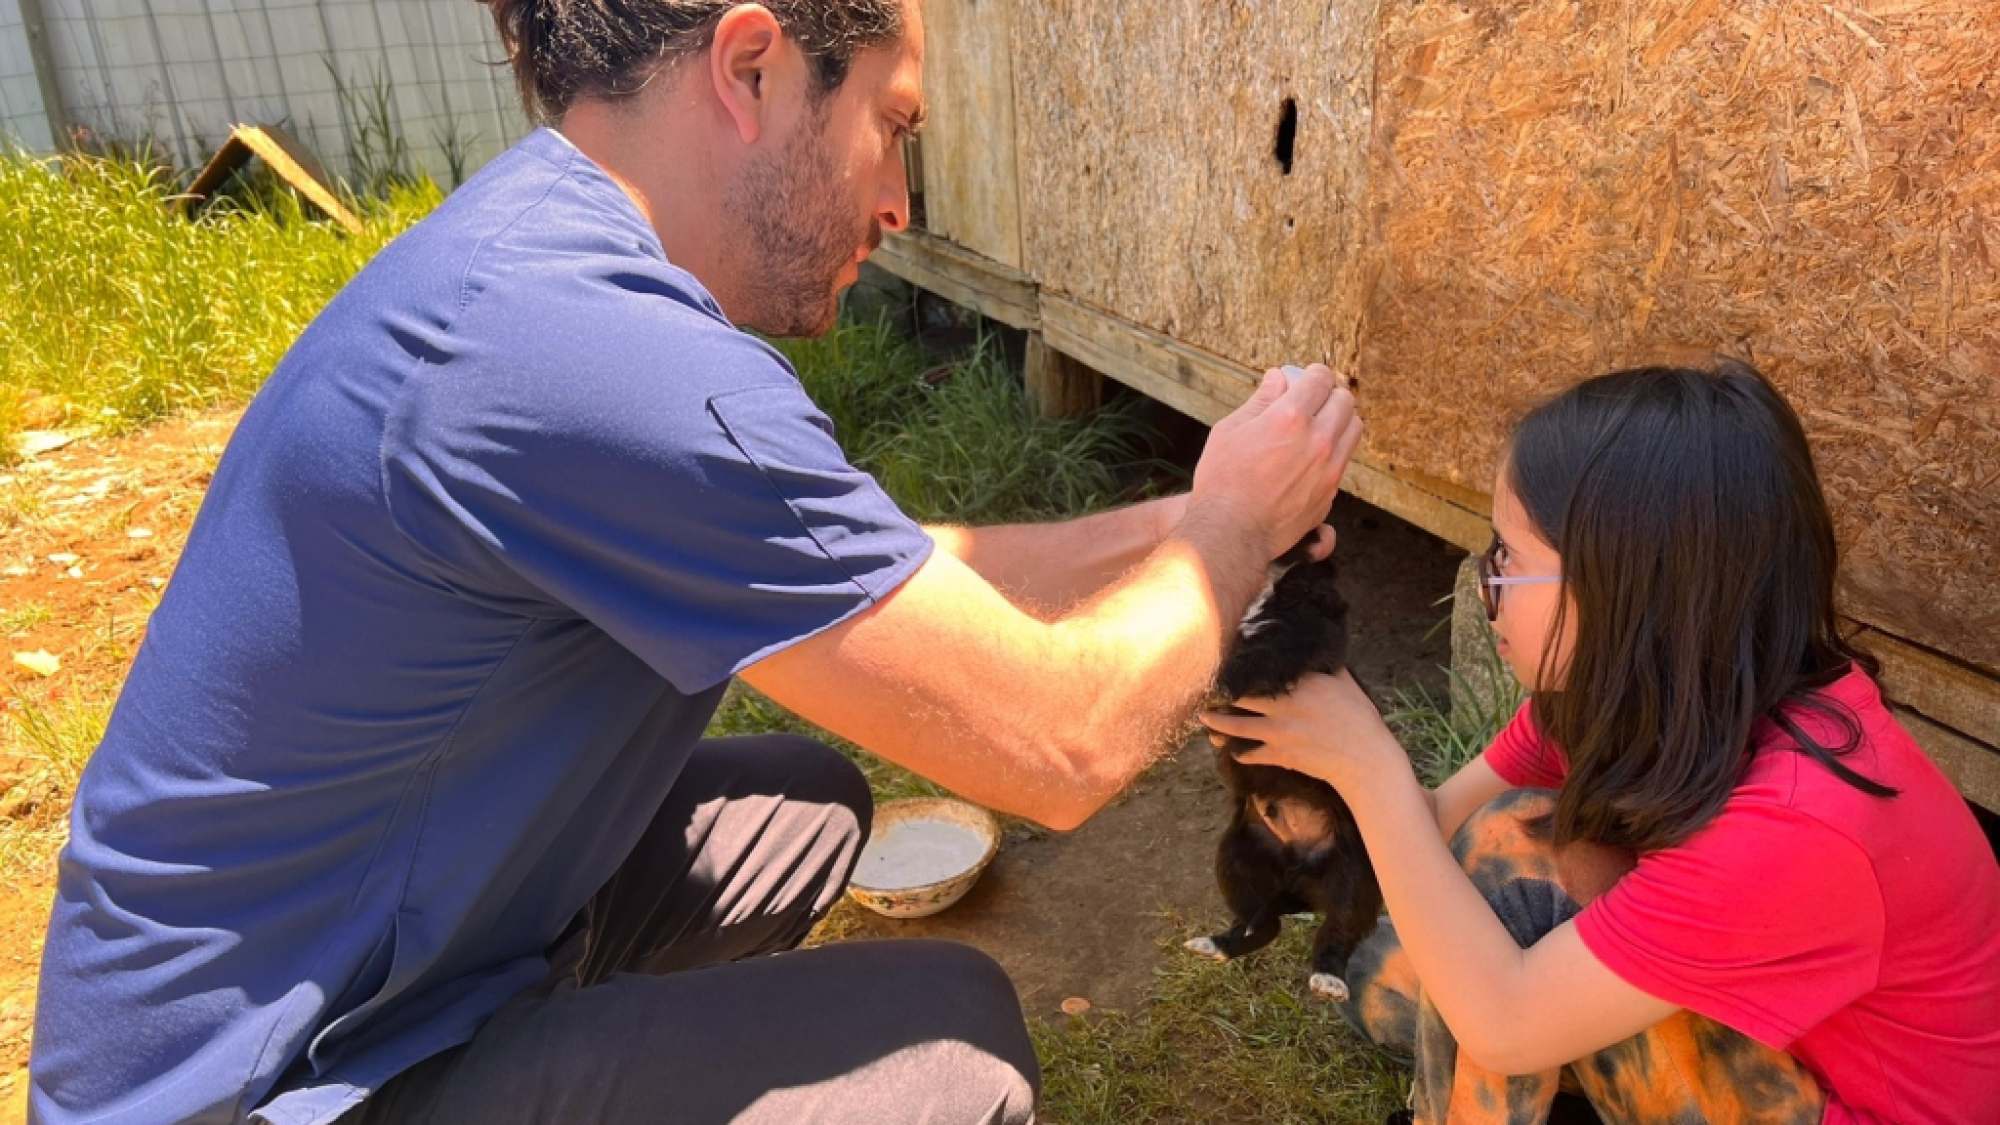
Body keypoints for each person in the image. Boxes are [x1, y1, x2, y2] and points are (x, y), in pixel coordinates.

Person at [27, 2, 1364, 1123]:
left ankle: (532, 1037)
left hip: (351, 950)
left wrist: (1175, 518)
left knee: (802, 808)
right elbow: (1056, 745)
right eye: (893, 127)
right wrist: (1230, 537)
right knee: (952, 1045)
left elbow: (901, 577)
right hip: (251, 1086)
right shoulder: (588, 359)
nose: (900, 200)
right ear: (750, 68)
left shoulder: (545, 262)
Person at [1202, 361, 2000, 1124]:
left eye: (1507, 559)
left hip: (1851, 1105)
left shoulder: (1797, 827)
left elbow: (1505, 1020)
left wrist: (1368, 765)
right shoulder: (1647, 695)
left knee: (1505, 918)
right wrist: (1314, 741)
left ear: (1628, 589)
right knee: (1392, 982)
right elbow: (1440, 821)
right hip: (1776, 1043)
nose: (1487, 585)